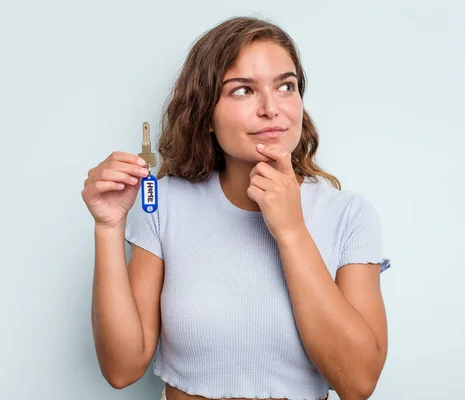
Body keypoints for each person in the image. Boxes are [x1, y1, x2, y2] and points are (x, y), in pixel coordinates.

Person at [81, 16, 391, 400]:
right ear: (205, 114)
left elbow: (358, 383)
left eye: (285, 86)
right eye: (243, 90)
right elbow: (121, 369)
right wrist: (109, 227)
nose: (271, 109)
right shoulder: (164, 205)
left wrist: (291, 230)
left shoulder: (350, 216)